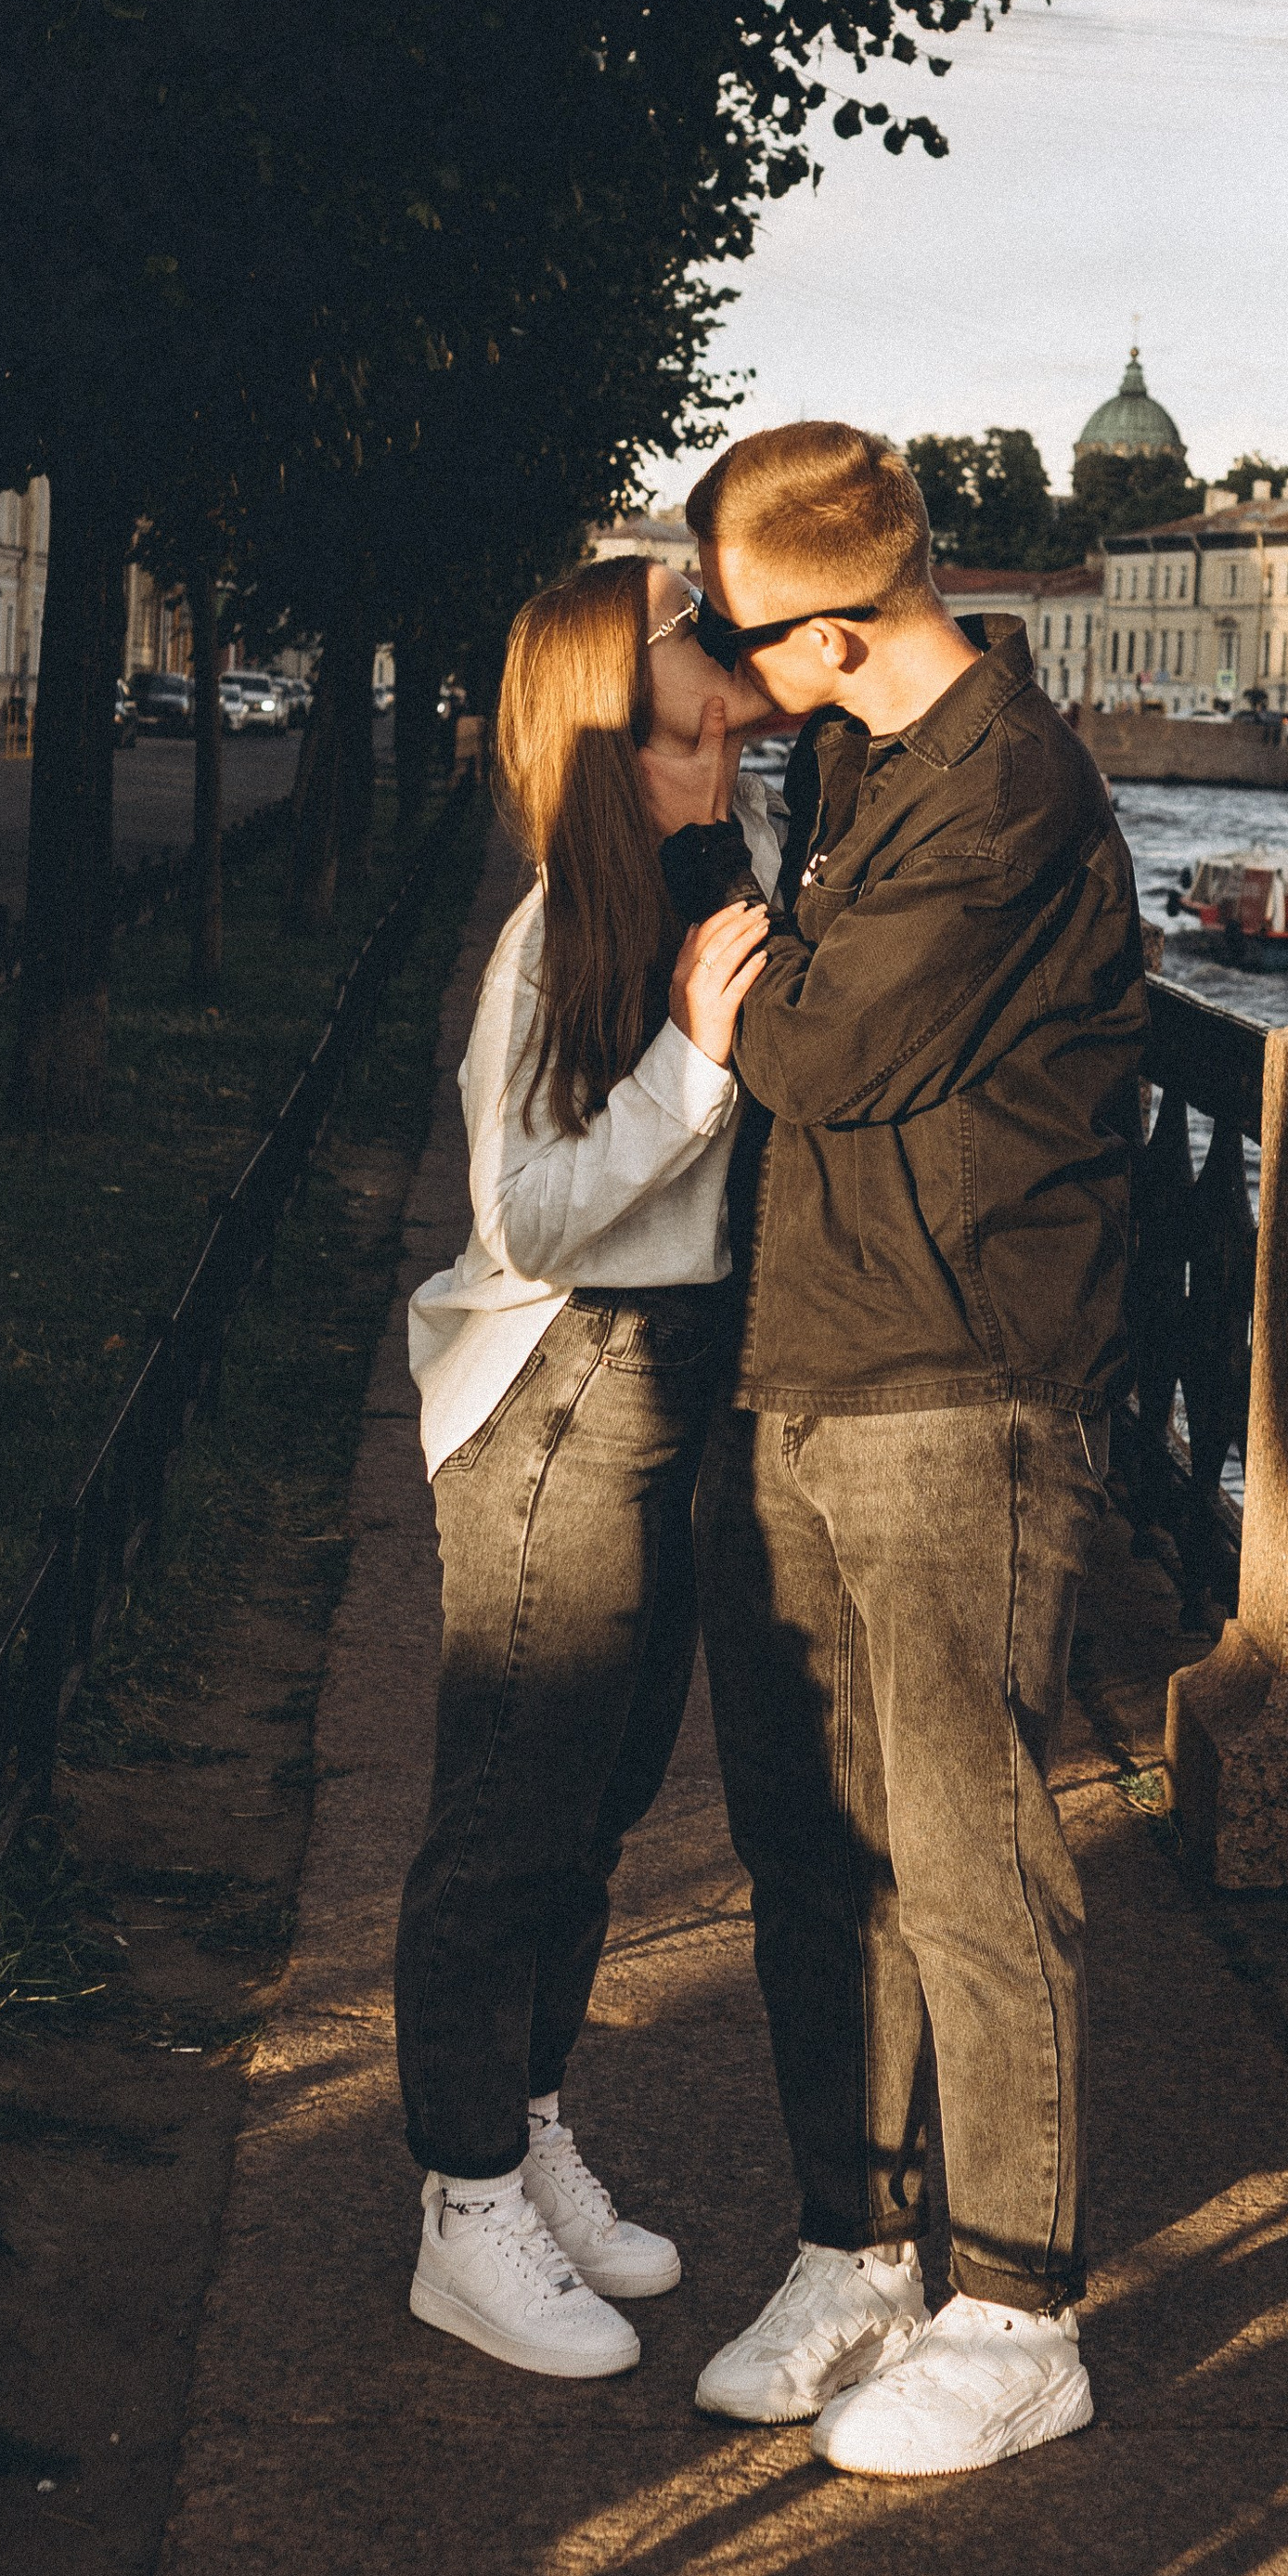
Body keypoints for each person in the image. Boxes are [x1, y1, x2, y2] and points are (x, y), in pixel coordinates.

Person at [644, 422, 1147, 2481]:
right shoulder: (856, 756)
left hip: (963, 1385)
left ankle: (1020, 2310)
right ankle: (854, 2250)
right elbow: (812, 1009)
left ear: (834, 630)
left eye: (724, 631)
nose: (700, 656)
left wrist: (698, 896)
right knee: (809, 1854)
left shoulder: (1011, 789)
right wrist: (724, 839)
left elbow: (824, 1045)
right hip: (808, 1356)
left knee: (966, 1855)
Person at [396, 559, 779, 2379]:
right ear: (598, 751)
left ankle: (524, 2125)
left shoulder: (673, 903)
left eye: (725, 742)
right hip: (556, 1391)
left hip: (655, 1386)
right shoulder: (552, 939)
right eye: (690, 744)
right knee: (507, 1822)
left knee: (600, 1804)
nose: (721, 772)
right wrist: (697, 1065)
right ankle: (459, 2206)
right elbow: (530, 1215)